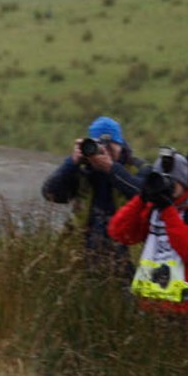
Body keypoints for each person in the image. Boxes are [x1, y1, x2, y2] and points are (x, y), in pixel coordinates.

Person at [44, 116, 144, 276]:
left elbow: (146, 195)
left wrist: (112, 169)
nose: (105, 153)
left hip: (126, 251)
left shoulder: (136, 168)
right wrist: (72, 163)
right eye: (100, 147)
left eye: (111, 148)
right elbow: (52, 194)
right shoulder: (83, 170)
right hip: (84, 249)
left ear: (121, 145)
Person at [106, 150, 188, 314]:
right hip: (151, 306)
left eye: (172, 182)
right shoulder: (153, 209)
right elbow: (118, 232)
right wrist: (142, 198)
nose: (166, 186)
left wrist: (168, 210)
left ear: (185, 183)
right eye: (161, 180)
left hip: (186, 309)